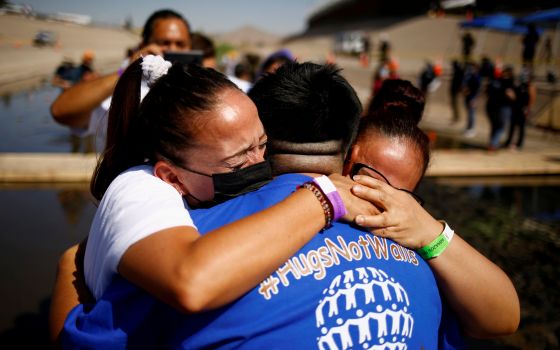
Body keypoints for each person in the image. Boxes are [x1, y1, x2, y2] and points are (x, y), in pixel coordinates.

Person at [59, 63, 518, 348]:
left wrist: (73, 267)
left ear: (265, 131)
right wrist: (434, 234)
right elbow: (499, 320)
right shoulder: (407, 229)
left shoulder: (176, 237)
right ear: (352, 146)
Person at [48, 56, 378, 346]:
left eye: (263, 145)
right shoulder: (139, 190)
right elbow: (191, 283)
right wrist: (324, 197)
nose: (261, 164)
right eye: (237, 163)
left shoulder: (205, 181)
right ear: (172, 177)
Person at [50, 9, 192, 140]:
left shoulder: (197, 85)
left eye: (180, 44)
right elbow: (60, 111)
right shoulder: (127, 89)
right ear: (144, 44)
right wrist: (126, 73)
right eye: (164, 43)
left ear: (190, 48)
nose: (173, 50)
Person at [504, 68, 536, 150]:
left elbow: (532, 99)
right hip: (515, 107)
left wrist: (528, 109)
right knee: (512, 126)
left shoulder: (530, 86)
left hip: (522, 109)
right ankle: (508, 142)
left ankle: (519, 144)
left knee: (521, 127)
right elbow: (515, 96)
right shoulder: (519, 85)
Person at [485, 65, 516, 151]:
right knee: (500, 127)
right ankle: (493, 144)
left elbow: (486, 92)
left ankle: (492, 143)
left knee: (495, 126)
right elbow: (511, 95)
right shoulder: (508, 82)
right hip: (502, 107)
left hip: (492, 107)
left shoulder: (495, 81)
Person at [462, 62, 481, 138]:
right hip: (468, 97)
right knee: (469, 114)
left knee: (471, 114)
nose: (471, 69)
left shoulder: (477, 77)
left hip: (472, 98)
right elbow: (465, 85)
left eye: (473, 67)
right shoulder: (469, 75)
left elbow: (477, 90)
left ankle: (471, 129)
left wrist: (474, 99)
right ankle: (468, 128)